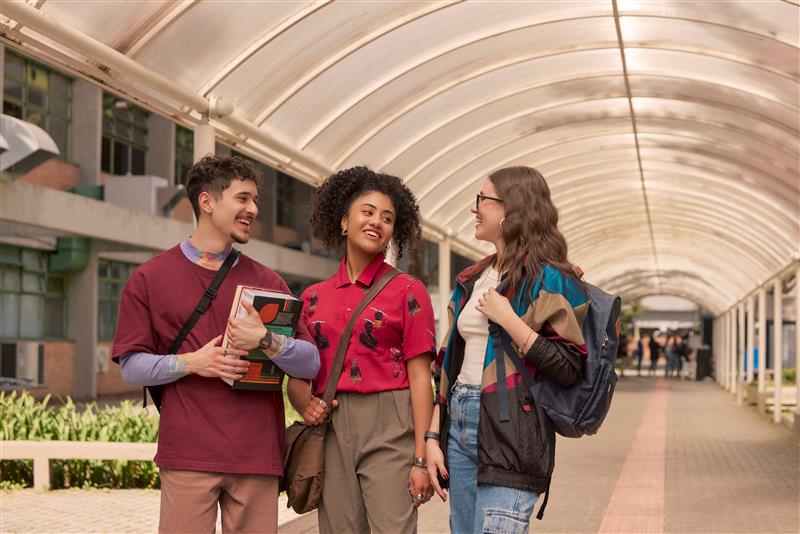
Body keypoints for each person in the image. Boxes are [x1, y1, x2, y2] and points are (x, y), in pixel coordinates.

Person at [112, 155, 320, 534]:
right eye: (243, 198)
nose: (253, 209)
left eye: (254, 200)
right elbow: (131, 365)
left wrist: (268, 341)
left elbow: (310, 363)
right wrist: (192, 362)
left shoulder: (269, 281)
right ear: (207, 202)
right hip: (188, 453)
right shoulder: (149, 278)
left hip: (257, 455)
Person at [425, 166, 588, 533]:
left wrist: (507, 318)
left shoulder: (551, 279)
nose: (475, 208)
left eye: (483, 199)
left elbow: (569, 365)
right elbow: (447, 365)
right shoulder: (470, 279)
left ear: (513, 210)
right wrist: (433, 438)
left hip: (512, 430)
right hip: (460, 427)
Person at [286, 166, 436, 534]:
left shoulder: (408, 290)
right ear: (343, 220)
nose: (377, 222)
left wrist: (420, 458)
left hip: (391, 423)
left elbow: (421, 379)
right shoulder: (312, 298)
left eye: (387, 218)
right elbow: (297, 378)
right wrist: (305, 404)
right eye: (367, 212)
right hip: (332, 428)